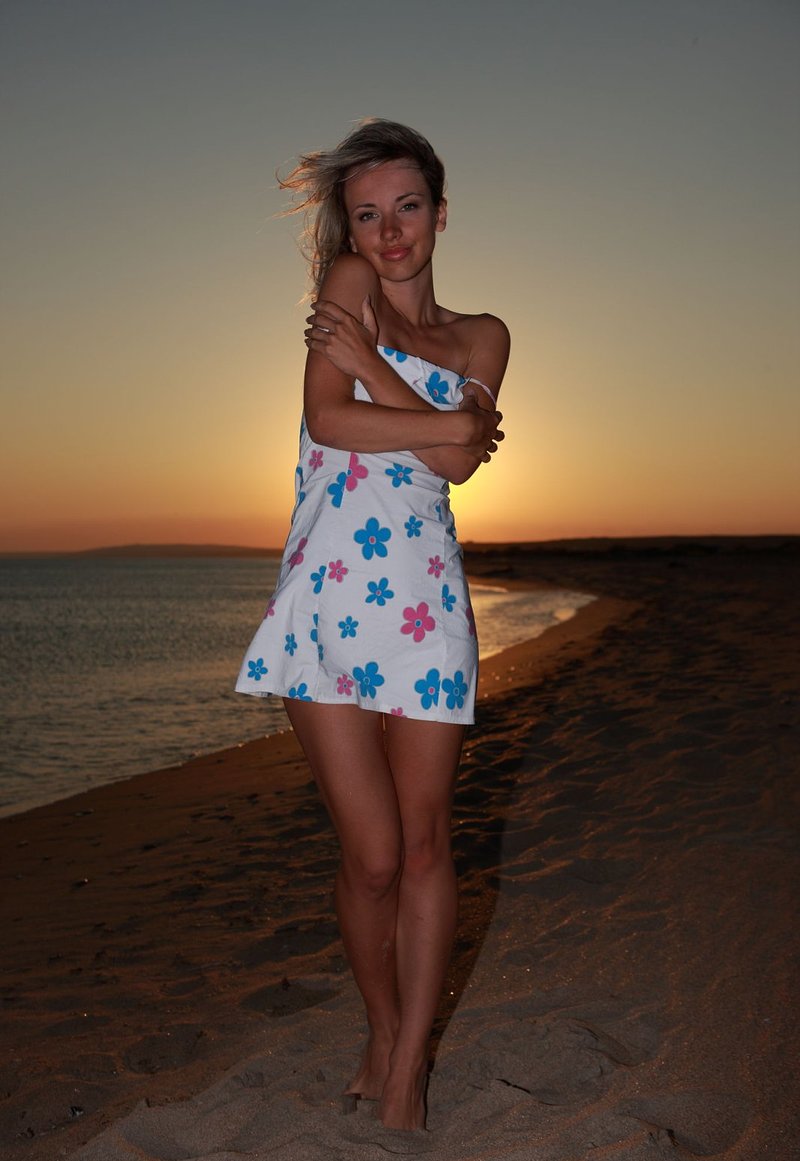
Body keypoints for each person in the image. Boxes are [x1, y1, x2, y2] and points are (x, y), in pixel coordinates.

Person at [235, 118, 509, 1131]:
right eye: (366, 214)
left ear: (439, 212)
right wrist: (447, 422)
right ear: (347, 230)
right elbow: (330, 420)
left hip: (427, 606)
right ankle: (383, 1025)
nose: (388, 233)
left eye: (406, 208)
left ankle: (406, 1072)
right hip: (326, 601)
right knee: (375, 857)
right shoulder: (346, 285)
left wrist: (391, 381)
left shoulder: (483, 335)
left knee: (428, 844)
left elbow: (455, 464)